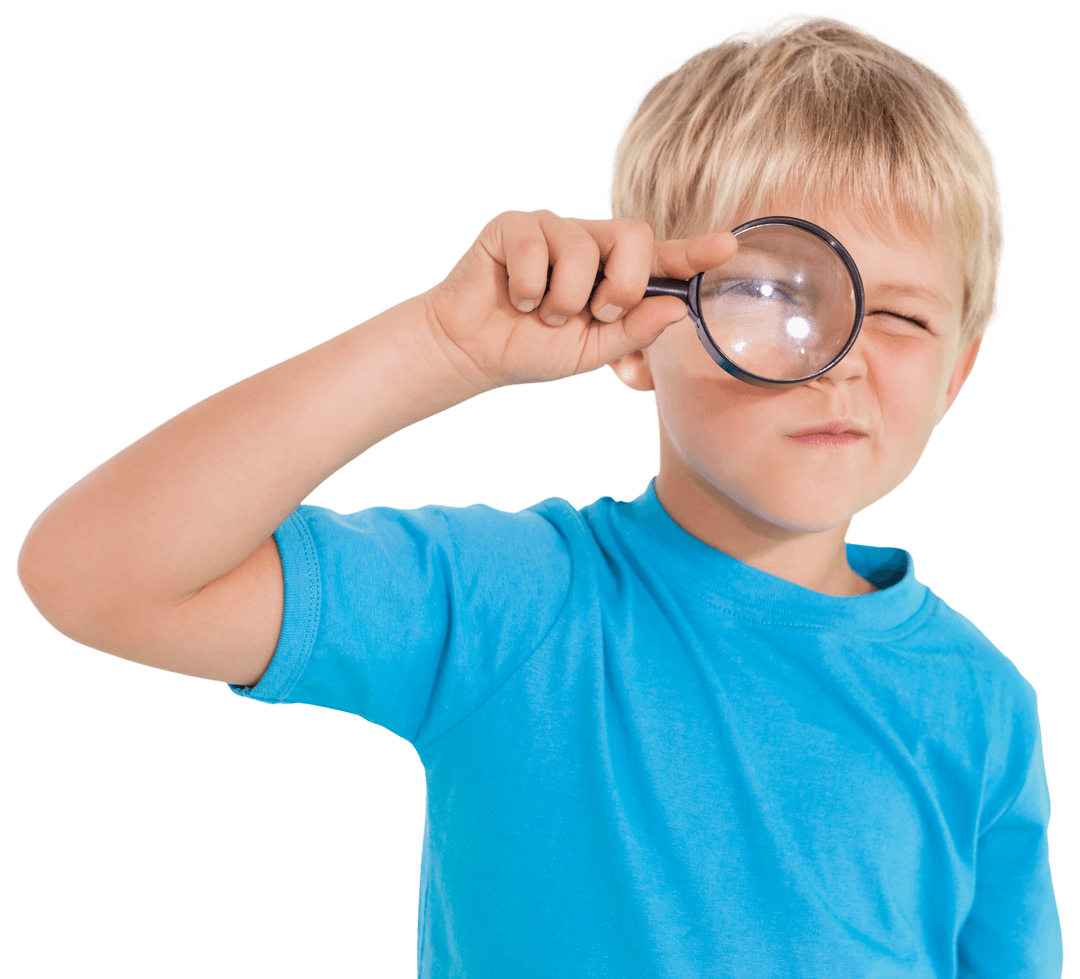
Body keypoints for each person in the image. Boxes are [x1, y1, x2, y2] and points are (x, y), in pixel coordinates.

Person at [15, 9, 1063, 978]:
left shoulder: (983, 704)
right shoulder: (511, 603)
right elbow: (95, 576)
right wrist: (437, 345)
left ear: (959, 372)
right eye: (770, 295)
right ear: (644, 324)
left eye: (905, 321)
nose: (840, 361)